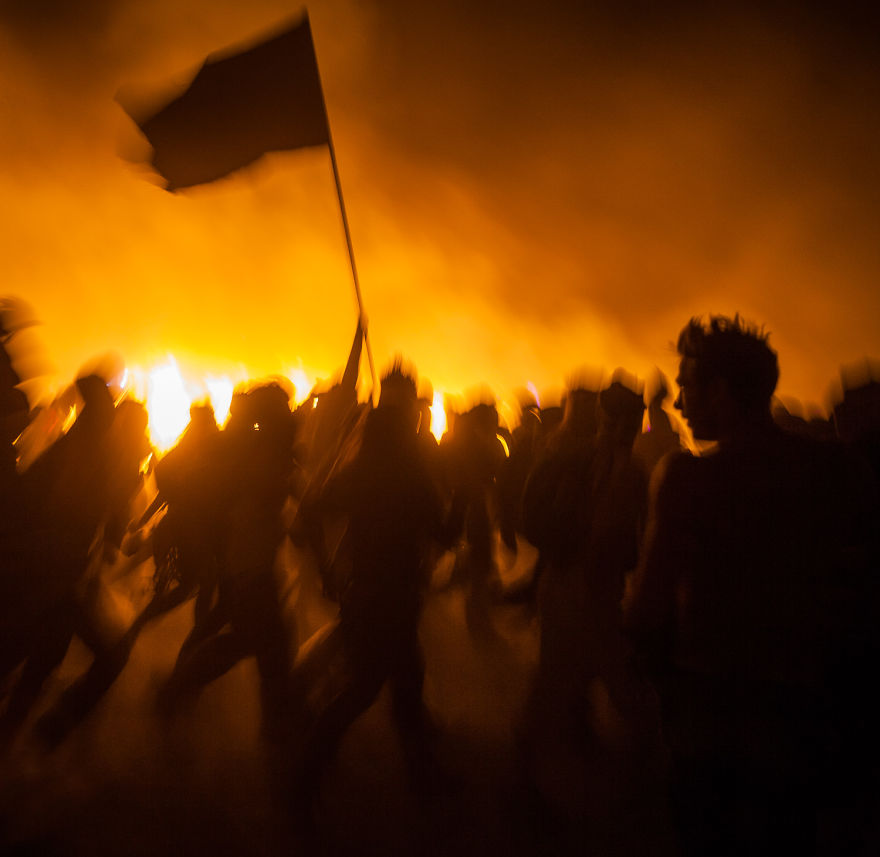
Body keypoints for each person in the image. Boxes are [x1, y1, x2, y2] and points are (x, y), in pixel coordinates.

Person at [623, 315, 879, 856]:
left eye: (685, 387)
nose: (677, 403)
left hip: (715, 715)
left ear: (719, 391)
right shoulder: (840, 470)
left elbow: (648, 607)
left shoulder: (688, 479)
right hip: (814, 717)